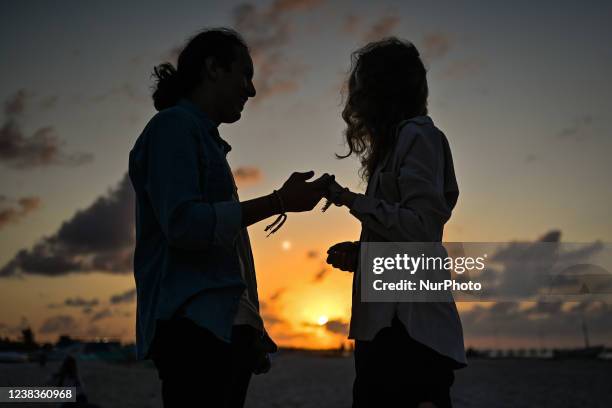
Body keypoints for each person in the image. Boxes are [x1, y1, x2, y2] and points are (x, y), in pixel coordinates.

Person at [128, 28, 331, 407]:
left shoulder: (203, 140)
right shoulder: (173, 127)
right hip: (194, 331)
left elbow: (226, 254)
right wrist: (279, 201)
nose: (251, 90)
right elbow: (186, 225)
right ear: (213, 68)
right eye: (245, 74)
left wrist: (249, 325)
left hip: (218, 329)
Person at [324, 38, 467, 408]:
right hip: (389, 331)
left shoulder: (418, 136)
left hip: (410, 334)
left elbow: (421, 229)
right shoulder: (401, 142)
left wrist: (348, 199)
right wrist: (362, 254)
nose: (356, 101)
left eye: (361, 88)